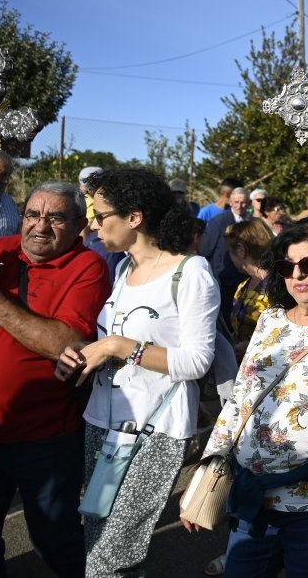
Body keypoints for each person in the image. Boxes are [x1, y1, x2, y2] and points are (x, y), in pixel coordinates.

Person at [0, 180, 109, 578]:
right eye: (32, 214)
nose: (40, 226)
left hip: (43, 438)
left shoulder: (87, 266)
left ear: (79, 224)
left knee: (56, 541)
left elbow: (65, 342)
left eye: (56, 217)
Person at [54, 167, 219, 576]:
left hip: (154, 430)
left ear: (134, 217)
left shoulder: (191, 272)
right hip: (101, 422)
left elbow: (196, 361)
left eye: (100, 214)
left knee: (111, 556)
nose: (92, 223)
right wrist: (84, 356)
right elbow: (121, 339)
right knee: (98, 534)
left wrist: (115, 346)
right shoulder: (124, 270)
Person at [186, 219, 308, 578]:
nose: (297, 274)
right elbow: (240, 400)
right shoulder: (271, 319)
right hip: (253, 501)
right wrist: (206, 471)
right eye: (286, 266)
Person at [201, 187, 251, 323]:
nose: (240, 206)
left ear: (249, 203)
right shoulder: (218, 221)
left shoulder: (251, 222)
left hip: (245, 278)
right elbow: (206, 250)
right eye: (236, 202)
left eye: (243, 202)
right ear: (230, 202)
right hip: (223, 278)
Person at [225, 218, 275, 345]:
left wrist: (249, 346)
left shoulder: (277, 286)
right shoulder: (243, 286)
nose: (229, 257)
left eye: (230, 252)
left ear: (241, 250)